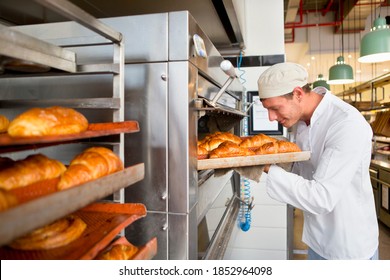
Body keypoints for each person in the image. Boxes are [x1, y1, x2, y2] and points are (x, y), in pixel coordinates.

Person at [257, 62, 379, 260]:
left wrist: (267, 167)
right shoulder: (301, 122)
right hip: (316, 239)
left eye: (275, 108)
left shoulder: (346, 124)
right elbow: (305, 169)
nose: (271, 117)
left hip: (348, 245)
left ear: (298, 93)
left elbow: (322, 197)